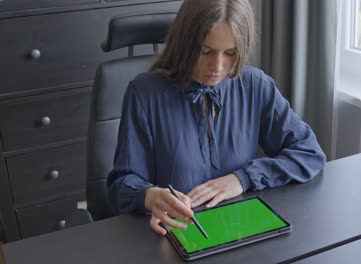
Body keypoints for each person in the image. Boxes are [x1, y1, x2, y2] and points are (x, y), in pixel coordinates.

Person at [107, 0, 326, 236]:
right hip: (174, 237)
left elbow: (309, 153)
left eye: (230, 53)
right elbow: (120, 186)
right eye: (205, 51)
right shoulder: (144, 94)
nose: (217, 67)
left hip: (239, 233)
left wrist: (242, 178)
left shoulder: (255, 85)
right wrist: (150, 197)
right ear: (185, 44)